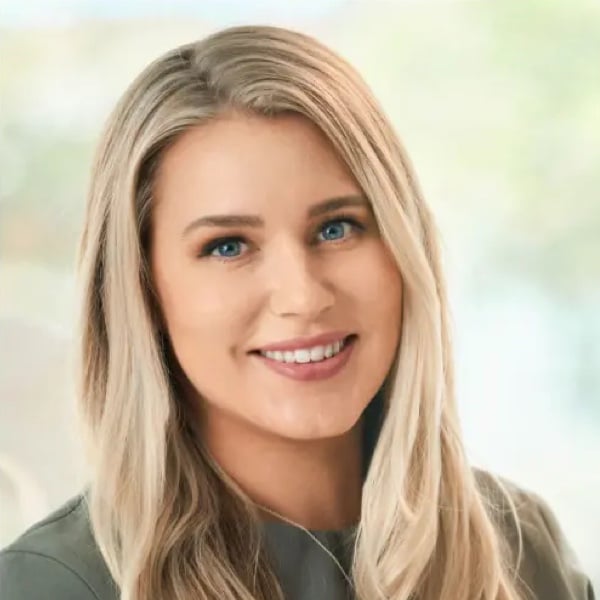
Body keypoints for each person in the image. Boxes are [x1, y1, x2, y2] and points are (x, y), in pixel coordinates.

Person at [0, 24, 594, 600]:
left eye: (338, 228)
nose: (303, 296)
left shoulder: (521, 549)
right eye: (228, 246)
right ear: (142, 290)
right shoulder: (53, 586)